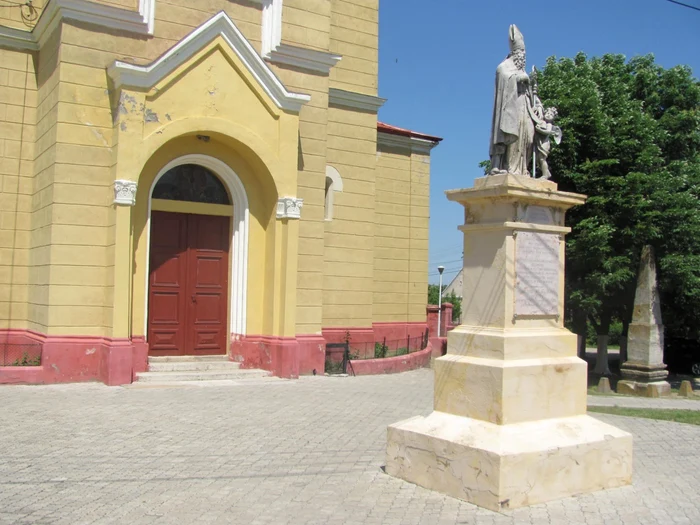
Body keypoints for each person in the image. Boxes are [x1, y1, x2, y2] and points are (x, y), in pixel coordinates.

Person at [489, 25, 535, 176]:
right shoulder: (504, 67)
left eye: (524, 54)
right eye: (521, 53)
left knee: (527, 138)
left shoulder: (522, 70)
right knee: (507, 136)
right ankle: (507, 166)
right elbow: (503, 78)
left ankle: (521, 168)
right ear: (514, 53)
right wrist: (517, 78)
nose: (523, 57)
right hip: (508, 109)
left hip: (523, 108)